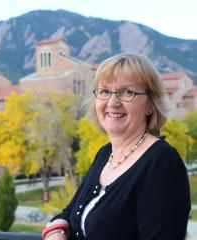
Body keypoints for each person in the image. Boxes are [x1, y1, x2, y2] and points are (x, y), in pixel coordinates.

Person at [41, 53, 191, 240]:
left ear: (150, 105)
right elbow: (70, 213)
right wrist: (56, 232)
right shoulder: (106, 154)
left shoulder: (162, 163)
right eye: (104, 91)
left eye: (127, 92)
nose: (113, 102)